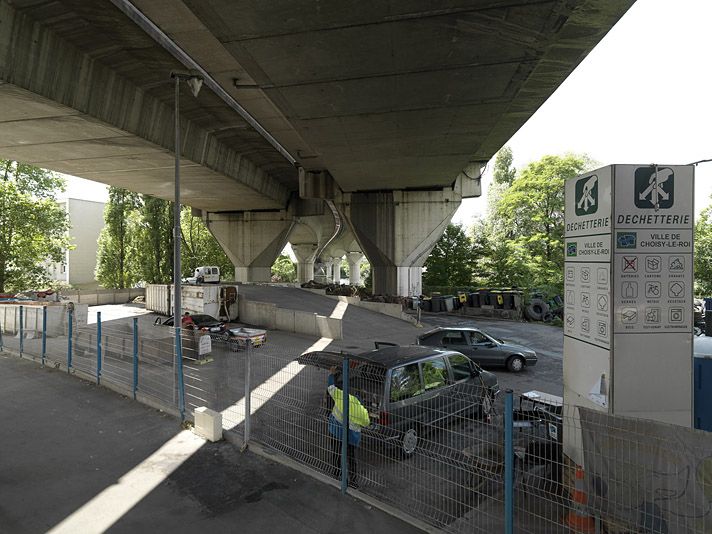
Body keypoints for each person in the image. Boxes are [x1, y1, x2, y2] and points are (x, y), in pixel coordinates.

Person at [327, 366, 370, 486]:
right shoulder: (363, 412)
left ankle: (337, 474)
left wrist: (331, 374)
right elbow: (367, 423)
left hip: (336, 432)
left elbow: (330, 388)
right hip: (351, 438)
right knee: (351, 459)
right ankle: (353, 481)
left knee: (336, 454)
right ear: (362, 401)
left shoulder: (342, 397)